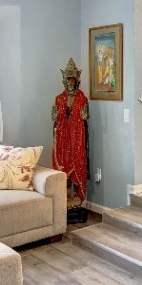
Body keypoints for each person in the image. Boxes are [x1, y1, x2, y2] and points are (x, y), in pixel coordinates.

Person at [51, 58, 89, 201]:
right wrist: (55, 116)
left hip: (76, 134)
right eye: (68, 80)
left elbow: (84, 116)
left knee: (76, 159)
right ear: (64, 81)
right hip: (62, 134)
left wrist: (84, 116)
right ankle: (64, 197)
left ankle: (76, 195)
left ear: (77, 81)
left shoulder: (82, 98)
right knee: (62, 160)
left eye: (73, 80)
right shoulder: (59, 99)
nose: (71, 83)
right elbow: (55, 117)